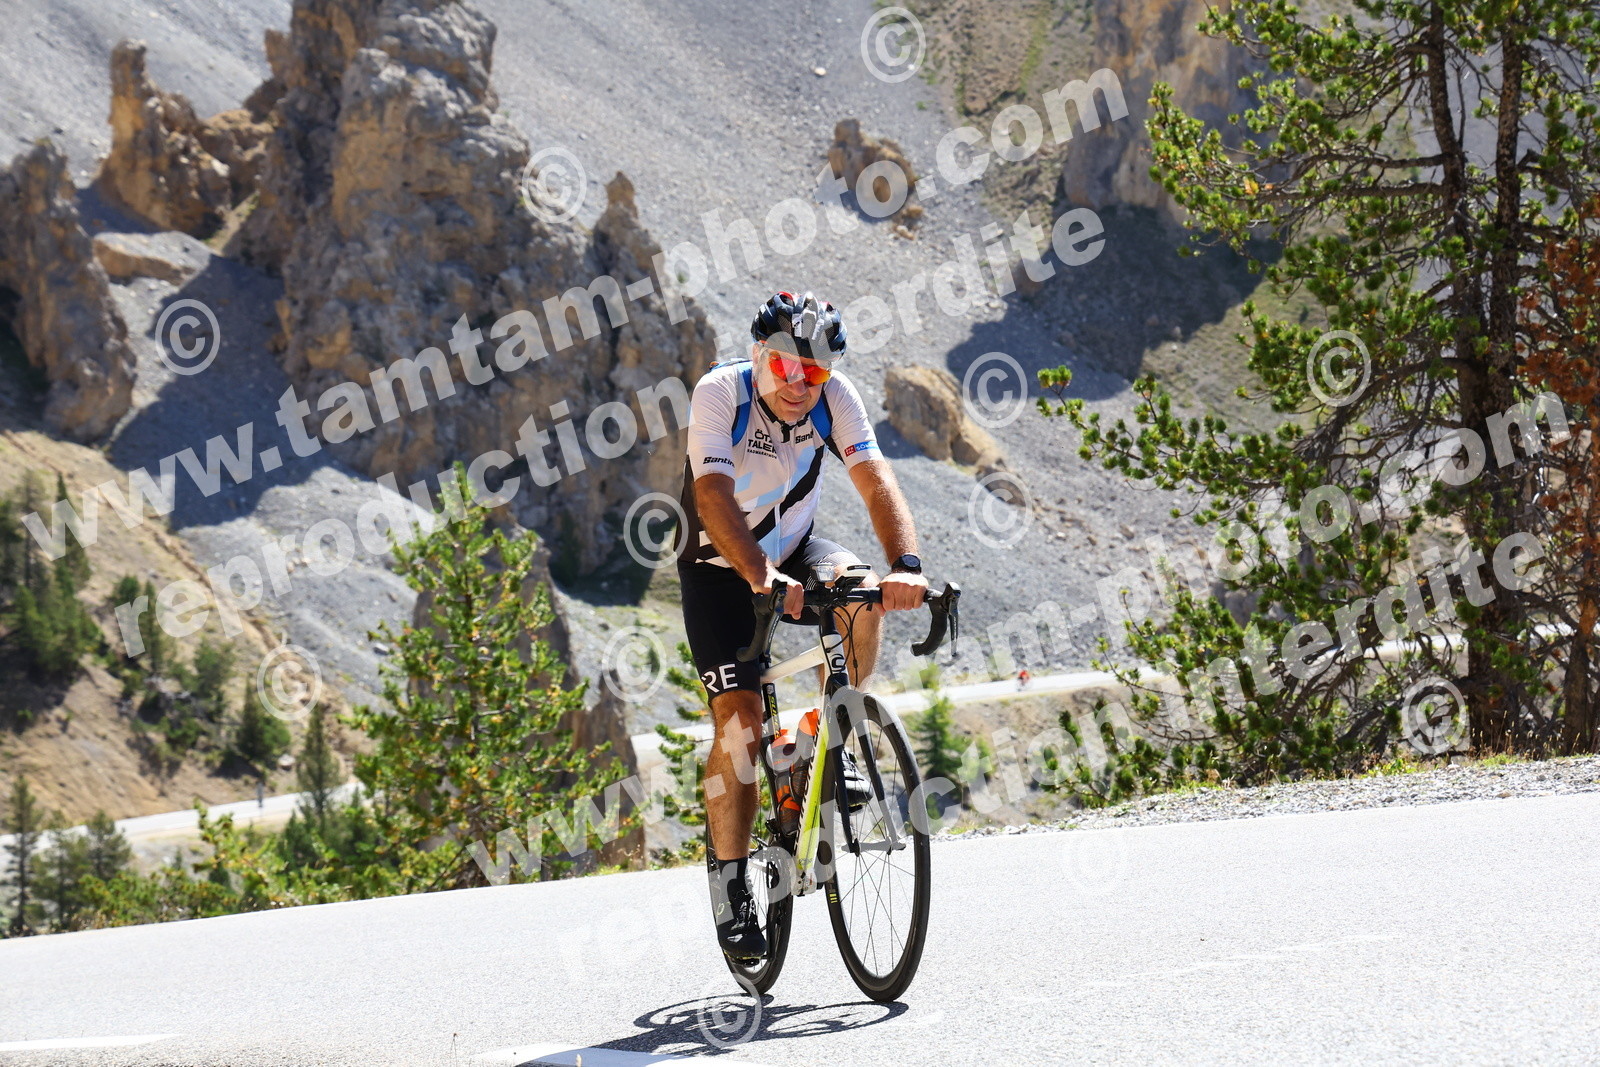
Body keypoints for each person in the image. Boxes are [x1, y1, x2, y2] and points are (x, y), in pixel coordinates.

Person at [675, 290, 930, 962]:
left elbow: (874, 479)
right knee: (739, 723)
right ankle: (732, 887)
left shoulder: (834, 397)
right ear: (759, 355)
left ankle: (823, 741)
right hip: (718, 564)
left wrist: (905, 565)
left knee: (861, 596)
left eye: (813, 371)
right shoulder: (720, 393)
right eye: (786, 366)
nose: (799, 384)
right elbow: (711, 495)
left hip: (793, 551)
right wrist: (758, 573)